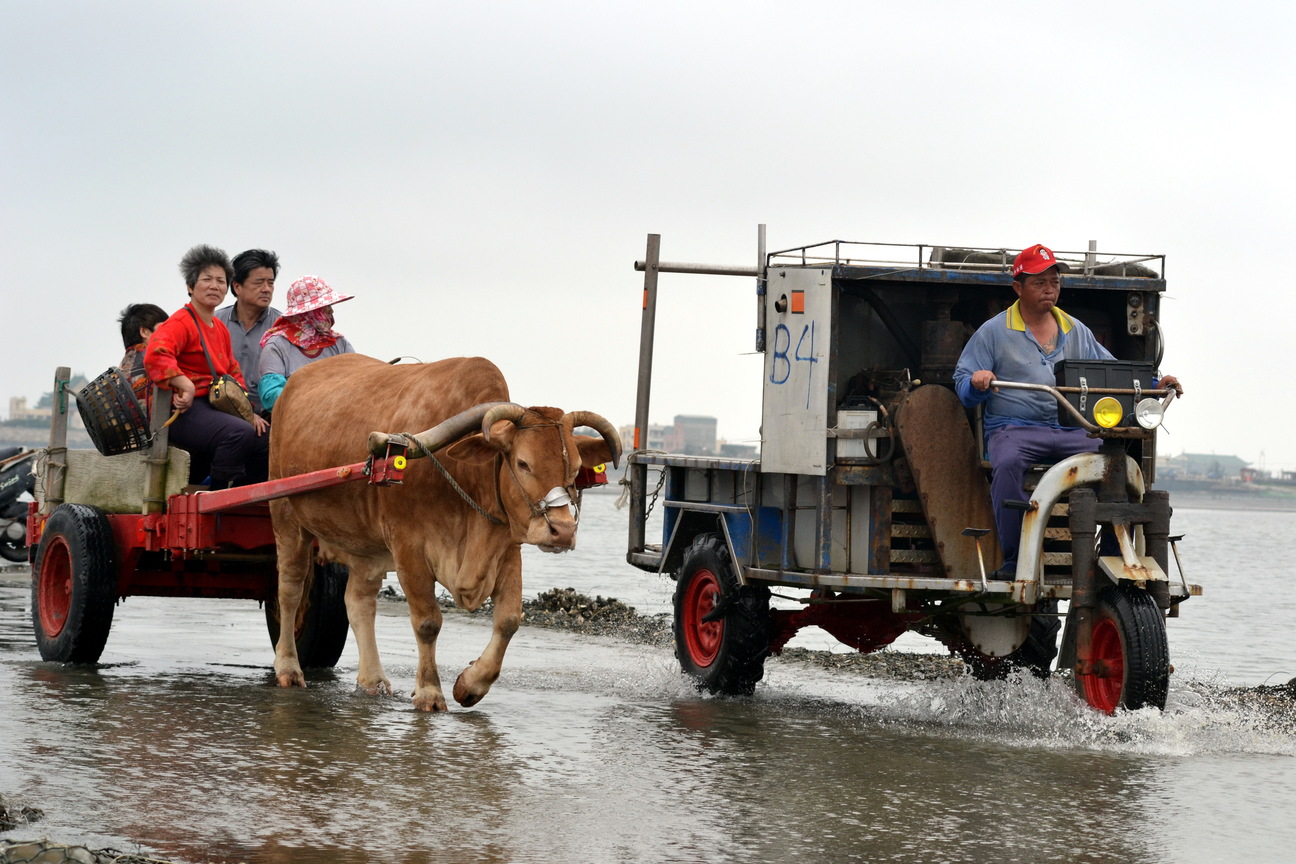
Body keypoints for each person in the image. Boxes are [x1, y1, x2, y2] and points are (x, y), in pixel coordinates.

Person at [953, 243, 1181, 577]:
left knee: (1118, 465)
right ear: (1018, 288)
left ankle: (1114, 556)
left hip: (1071, 428)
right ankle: (1017, 559)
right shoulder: (993, 332)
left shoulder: (1076, 330)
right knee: (1007, 464)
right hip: (1014, 429)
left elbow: (1116, 373)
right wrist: (978, 381)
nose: (1049, 289)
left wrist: (1155, 383)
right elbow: (962, 386)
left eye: (1054, 282)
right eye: (1039, 283)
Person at [145, 244, 271, 489]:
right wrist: (185, 385)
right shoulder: (181, 321)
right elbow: (155, 354)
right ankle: (217, 499)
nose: (215, 286)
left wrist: (248, 411)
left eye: (221, 281)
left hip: (213, 406)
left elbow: (232, 371)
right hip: (182, 412)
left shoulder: (218, 327)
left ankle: (246, 498)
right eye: (207, 279)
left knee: (263, 437)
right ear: (191, 287)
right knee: (238, 433)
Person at [258, 275, 357, 413]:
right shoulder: (277, 346)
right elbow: (271, 396)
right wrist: (316, 402)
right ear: (309, 312)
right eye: (326, 306)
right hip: (293, 420)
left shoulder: (339, 344)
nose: (331, 311)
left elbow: (358, 381)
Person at [215, 248, 282, 415]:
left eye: (271, 282)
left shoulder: (282, 327)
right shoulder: (215, 322)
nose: (267, 289)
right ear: (237, 287)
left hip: (270, 415)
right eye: (259, 282)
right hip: (222, 410)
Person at [117, 303, 168, 409]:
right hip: (154, 423)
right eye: (164, 329)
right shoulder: (155, 357)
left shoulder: (124, 364)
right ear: (144, 331)